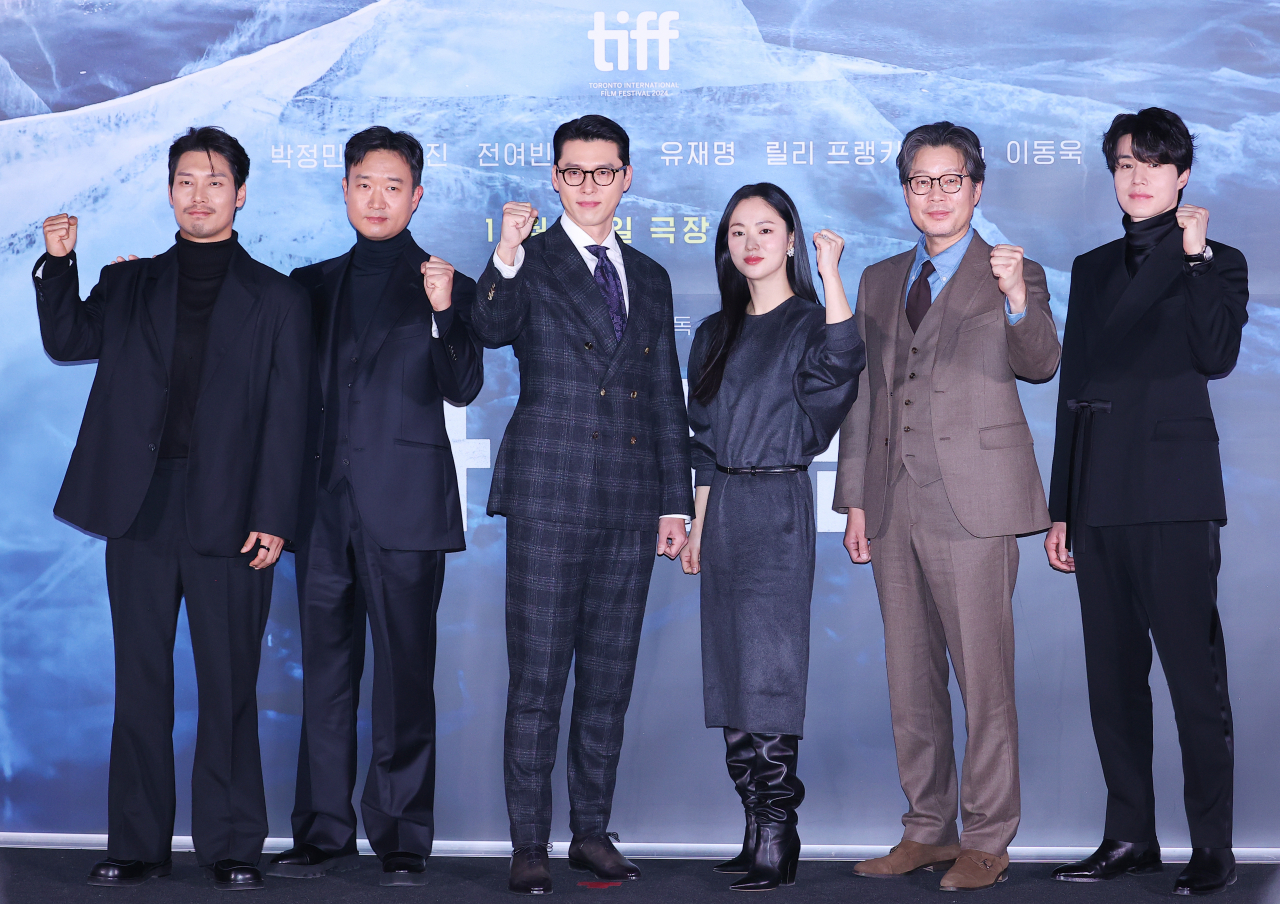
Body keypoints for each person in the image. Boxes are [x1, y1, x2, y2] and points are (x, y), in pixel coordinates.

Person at [32, 127, 310, 890]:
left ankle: (231, 846)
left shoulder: (278, 297)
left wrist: (275, 514)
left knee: (230, 685)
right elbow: (66, 338)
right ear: (169, 191)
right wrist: (59, 264)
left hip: (235, 513)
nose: (199, 195)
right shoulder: (128, 285)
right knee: (141, 679)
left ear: (241, 193)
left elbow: (290, 419)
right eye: (186, 181)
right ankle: (137, 842)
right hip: (141, 509)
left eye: (215, 182)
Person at [833, 121, 1060, 892]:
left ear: (977, 188)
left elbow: (1040, 363)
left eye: (950, 181)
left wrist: (1017, 297)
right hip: (894, 504)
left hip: (976, 504)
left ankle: (988, 837)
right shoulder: (878, 278)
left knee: (985, 682)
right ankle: (926, 829)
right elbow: (864, 397)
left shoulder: (1010, 268)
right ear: (905, 193)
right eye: (921, 182)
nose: (935, 194)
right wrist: (854, 501)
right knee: (910, 680)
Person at [472, 114, 693, 896]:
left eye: (605, 172)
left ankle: (590, 833)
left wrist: (676, 500)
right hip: (549, 494)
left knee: (608, 679)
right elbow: (489, 327)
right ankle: (528, 843)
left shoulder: (653, 277)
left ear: (627, 178)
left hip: (631, 503)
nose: (591, 185)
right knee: (536, 680)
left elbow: (667, 395)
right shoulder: (526, 259)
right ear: (554, 179)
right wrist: (501, 253)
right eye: (575, 172)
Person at [266, 127, 483, 887]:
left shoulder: (442, 280)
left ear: (416, 195)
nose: (378, 198)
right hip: (322, 510)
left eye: (394, 186)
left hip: (407, 507)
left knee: (403, 680)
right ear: (346, 190)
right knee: (324, 680)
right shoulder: (309, 284)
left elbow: (463, 386)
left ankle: (402, 835)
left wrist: (447, 312)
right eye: (365, 183)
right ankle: (323, 832)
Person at [1044, 108, 1248, 897]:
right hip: (1098, 495)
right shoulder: (1091, 266)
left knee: (1196, 682)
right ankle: (1129, 835)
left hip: (1173, 493)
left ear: (1183, 175)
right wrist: (1062, 504)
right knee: (1114, 679)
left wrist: (1194, 261)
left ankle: (1214, 848)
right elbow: (1074, 389)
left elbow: (1217, 355)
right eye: (1125, 163)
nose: (1137, 177)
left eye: (1153, 164)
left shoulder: (1217, 260)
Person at [680, 183, 864, 892]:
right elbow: (700, 441)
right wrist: (697, 523)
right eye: (736, 232)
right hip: (723, 503)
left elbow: (843, 364)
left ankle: (776, 830)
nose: (751, 242)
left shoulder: (810, 323)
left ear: (792, 238)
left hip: (777, 504)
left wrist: (833, 274)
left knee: (769, 673)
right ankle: (758, 827)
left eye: (766, 228)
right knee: (730, 674)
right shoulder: (712, 333)